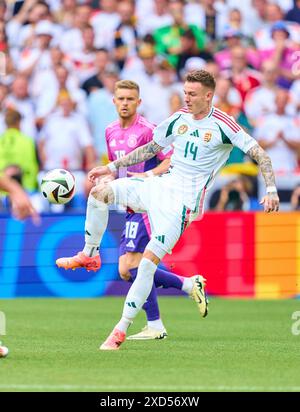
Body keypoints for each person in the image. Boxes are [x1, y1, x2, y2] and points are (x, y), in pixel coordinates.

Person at [56, 70, 280, 350]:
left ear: (208, 96)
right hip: (159, 187)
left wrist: (270, 190)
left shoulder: (224, 124)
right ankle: (89, 255)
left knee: (145, 265)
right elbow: (152, 148)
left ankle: (120, 330)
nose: (186, 98)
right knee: (99, 193)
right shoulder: (179, 117)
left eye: (193, 94)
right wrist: (111, 168)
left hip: (181, 206)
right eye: (185, 92)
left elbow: (260, 153)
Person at [104, 79, 206, 340]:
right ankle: (184, 286)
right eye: (121, 98)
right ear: (113, 101)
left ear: (138, 103)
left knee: (132, 265)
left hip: (149, 202)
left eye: (130, 99)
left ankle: (156, 323)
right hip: (130, 203)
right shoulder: (110, 131)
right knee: (130, 268)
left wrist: (147, 176)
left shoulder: (149, 130)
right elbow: (118, 164)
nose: (125, 103)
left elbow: (170, 159)